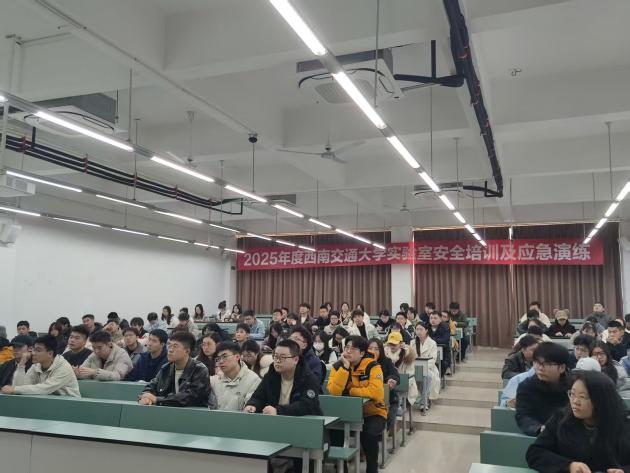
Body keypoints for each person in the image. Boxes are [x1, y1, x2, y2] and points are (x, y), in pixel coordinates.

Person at [526, 371, 630, 473]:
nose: (575, 401)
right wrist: (568, 465)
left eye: (582, 397)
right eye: (572, 394)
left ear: (600, 400)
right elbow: (535, 453)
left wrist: (623, 471)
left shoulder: (624, 425)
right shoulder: (560, 419)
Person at [328, 335, 387, 473]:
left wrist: (351, 391)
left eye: (353, 349)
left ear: (361, 353)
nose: (348, 351)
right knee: (334, 429)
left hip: (372, 412)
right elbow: (334, 392)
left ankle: (372, 468)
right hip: (345, 412)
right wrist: (345, 368)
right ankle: (341, 468)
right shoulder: (338, 366)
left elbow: (376, 393)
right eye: (347, 347)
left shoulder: (372, 366)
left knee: (369, 432)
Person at [244, 339, 322, 416]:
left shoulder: (308, 379)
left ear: (295, 360)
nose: (278, 361)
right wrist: (252, 405)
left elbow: (306, 405)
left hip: (304, 421)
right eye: (276, 356)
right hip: (276, 421)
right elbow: (258, 397)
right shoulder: (270, 376)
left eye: (283, 357)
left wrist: (278, 411)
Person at [139, 331, 210, 407]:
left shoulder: (199, 370)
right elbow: (151, 387)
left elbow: (190, 397)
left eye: (175, 346)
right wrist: (146, 397)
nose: (170, 350)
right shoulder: (166, 368)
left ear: (187, 351)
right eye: (169, 346)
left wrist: (157, 399)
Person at [515, 342, 571, 436]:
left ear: (562, 368)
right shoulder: (527, 386)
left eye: (547, 364)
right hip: (541, 436)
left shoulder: (573, 386)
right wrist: (538, 428)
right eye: (537, 362)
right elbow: (523, 415)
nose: (540, 368)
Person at [0, 335, 79, 397]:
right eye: (34, 349)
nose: (33, 353)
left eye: (38, 350)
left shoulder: (63, 367)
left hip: (71, 405)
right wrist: (21, 365)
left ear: (50, 353)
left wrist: (14, 389)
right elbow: (21, 386)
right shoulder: (36, 366)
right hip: (48, 403)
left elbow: (45, 388)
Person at [212, 341, 261, 411]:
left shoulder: (253, 380)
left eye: (225, 356)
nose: (221, 361)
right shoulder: (216, 381)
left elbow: (249, 411)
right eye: (218, 358)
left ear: (237, 357)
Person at [367, 338, 400, 431]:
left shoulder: (387, 361)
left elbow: (395, 375)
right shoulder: (362, 362)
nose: (373, 351)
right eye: (370, 348)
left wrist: (391, 380)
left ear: (381, 350)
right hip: (369, 398)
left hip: (387, 399)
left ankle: (386, 429)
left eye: (376, 349)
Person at [385, 331, 419, 406]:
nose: (392, 346)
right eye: (390, 344)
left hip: (403, 383)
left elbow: (410, 373)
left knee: (396, 395)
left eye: (394, 344)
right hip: (388, 383)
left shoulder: (407, 355)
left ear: (400, 344)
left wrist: (399, 382)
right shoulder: (385, 354)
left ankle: (398, 404)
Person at [414, 321, 441, 403]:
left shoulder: (432, 343)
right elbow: (410, 358)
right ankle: (419, 398)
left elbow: (433, 360)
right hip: (414, 367)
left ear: (426, 330)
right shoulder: (412, 342)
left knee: (427, 375)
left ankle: (424, 400)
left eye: (421, 329)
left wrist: (423, 367)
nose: (418, 331)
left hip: (429, 368)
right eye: (417, 329)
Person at [428, 311, 451, 376]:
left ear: (440, 319)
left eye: (435, 318)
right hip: (429, 353)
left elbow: (445, 340)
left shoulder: (445, 327)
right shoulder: (426, 326)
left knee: (442, 366)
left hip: (444, 353)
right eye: (431, 318)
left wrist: (432, 340)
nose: (433, 320)